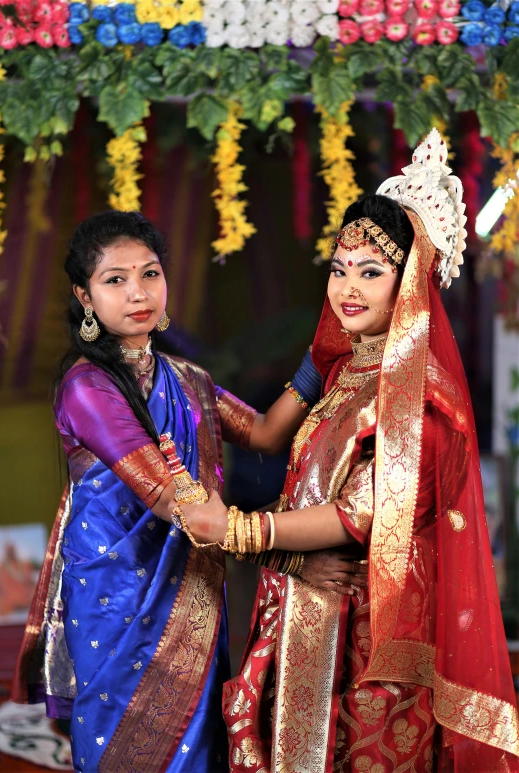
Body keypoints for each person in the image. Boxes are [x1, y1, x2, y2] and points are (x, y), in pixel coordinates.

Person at [177, 129, 519, 772]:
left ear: (411, 283)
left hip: (366, 642)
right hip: (307, 609)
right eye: (339, 269)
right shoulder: (343, 374)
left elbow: (353, 518)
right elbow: (282, 453)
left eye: (370, 271)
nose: (347, 288)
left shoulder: (419, 405)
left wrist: (240, 530)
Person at [11, 210, 366, 773]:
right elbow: (173, 501)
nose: (137, 293)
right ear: (84, 296)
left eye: (149, 274)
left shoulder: (186, 380)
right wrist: (293, 556)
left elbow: (265, 433)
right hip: (116, 602)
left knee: (195, 750)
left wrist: (322, 357)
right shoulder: (87, 387)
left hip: (192, 587)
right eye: (115, 280)